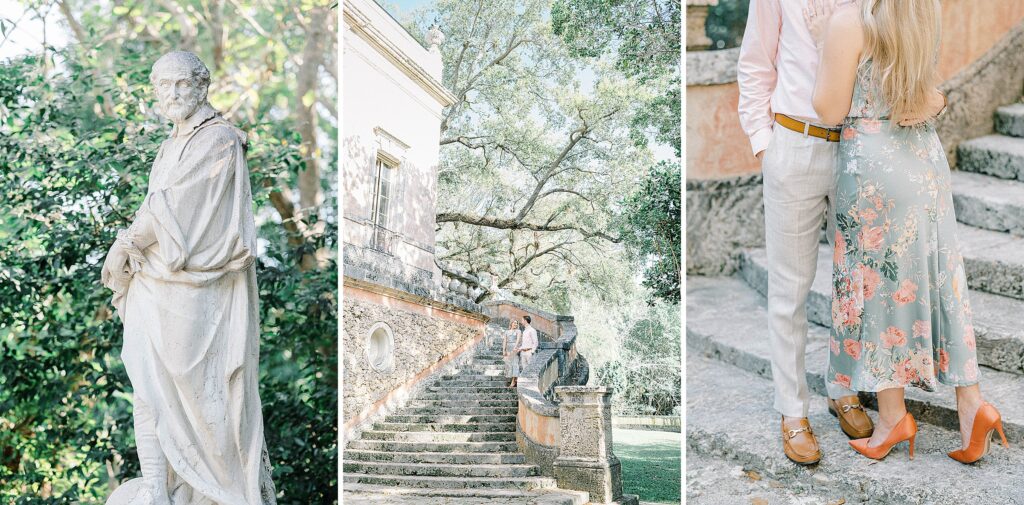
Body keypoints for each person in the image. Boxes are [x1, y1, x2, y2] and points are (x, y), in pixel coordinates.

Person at [811, 0, 1008, 463]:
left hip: (874, 167)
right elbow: (924, 93)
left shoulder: (848, 21)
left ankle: (892, 417)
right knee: (941, 277)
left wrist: (824, 44)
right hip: (923, 160)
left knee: (878, 287)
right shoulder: (920, 11)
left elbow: (829, 109)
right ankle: (972, 406)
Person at [101, 51, 277, 503]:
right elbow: (156, 207)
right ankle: (157, 486)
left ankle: (215, 489)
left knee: (202, 399)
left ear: (202, 86)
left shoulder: (218, 139)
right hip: (152, 282)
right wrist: (130, 247)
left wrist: (125, 244)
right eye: (165, 85)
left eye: (183, 83)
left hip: (197, 290)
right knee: (148, 387)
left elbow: (177, 207)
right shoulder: (168, 146)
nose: (174, 93)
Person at [737, 0, 877, 465]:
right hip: (795, 145)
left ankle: (844, 388)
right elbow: (755, 63)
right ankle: (793, 410)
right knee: (789, 290)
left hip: (856, 145)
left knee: (853, 283)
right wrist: (764, 145)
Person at [503, 320, 523, 388]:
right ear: (511, 323)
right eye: (514, 323)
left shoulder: (518, 331)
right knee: (509, 364)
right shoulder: (506, 332)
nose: (515, 324)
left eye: (516, 323)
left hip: (515, 348)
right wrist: (504, 350)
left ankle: (513, 381)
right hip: (508, 348)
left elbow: (518, 340)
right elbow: (505, 341)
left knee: (515, 363)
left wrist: (515, 348)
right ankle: (515, 379)